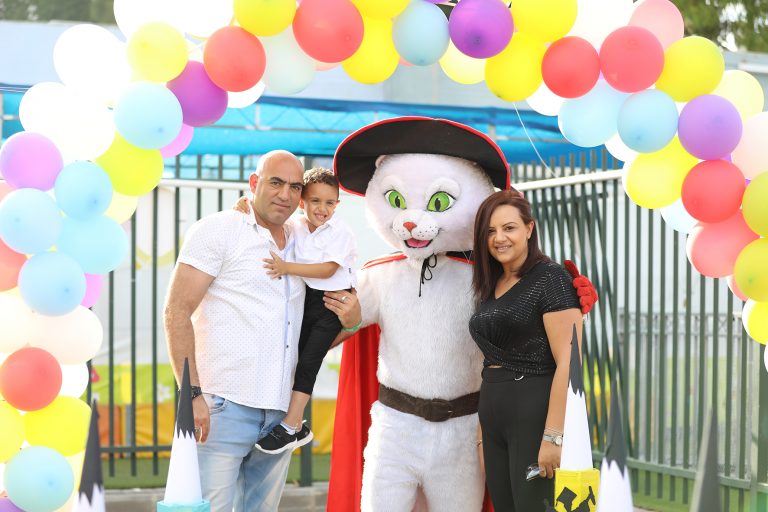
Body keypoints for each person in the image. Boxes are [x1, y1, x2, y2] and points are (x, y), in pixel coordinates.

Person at [163, 150, 361, 512]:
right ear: (254, 183)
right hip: (221, 408)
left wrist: (352, 321)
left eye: (294, 187)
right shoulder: (221, 229)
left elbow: (312, 339)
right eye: (275, 183)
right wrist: (191, 394)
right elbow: (177, 310)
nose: (285, 194)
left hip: (278, 418)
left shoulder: (303, 241)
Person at [468, 189, 583, 511]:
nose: (499, 238)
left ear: (529, 229)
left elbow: (570, 363)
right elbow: (489, 361)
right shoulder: (490, 284)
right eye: (490, 231)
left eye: (509, 228)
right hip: (493, 414)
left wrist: (554, 436)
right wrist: (482, 435)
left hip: (533, 411)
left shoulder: (551, 278)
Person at [234, 167, 358, 454]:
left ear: (337, 204)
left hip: (332, 302)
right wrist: (245, 203)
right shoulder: (296, 226)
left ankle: (290, 426)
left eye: (330, 203)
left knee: (309, 362)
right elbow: (268, 220)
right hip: (308, 300)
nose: (322, 209)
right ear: (302, 202)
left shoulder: (340, 231)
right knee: (294, 357)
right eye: (315, 201)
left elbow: (328, 270)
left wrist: (286, 267)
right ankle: (294, 425)